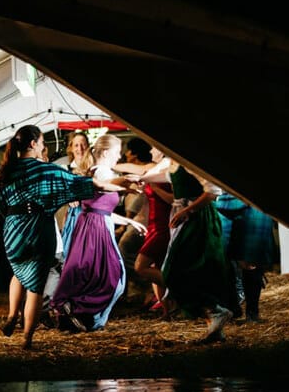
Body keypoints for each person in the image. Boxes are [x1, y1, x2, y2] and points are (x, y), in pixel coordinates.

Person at [0, 125, 137, 349]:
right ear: (33, 144)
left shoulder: (2, 173)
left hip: (12, 229)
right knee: (36, 286)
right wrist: (122, 185)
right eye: (41, 142)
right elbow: (87, 184)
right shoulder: (46, 171)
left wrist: (13, 218)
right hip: (40, 228)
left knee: (18, 273)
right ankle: (27, 339)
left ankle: (12, 316)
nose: (43, 147)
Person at [48, 134, 146, 332]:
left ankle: (81, 315)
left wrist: (128, 221)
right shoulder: (101, 171)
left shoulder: (103, 171)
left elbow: (102, 209)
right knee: (109, 276)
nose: (119, 156)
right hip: (95, 229)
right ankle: (80, 313)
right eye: (117, 152)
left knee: (100, 275)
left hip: (99, 224)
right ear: (107, 152)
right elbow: (106, 183)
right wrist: (126, 182)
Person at [135, 156, 238, 343]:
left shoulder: (190, 163)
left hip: (198, 219)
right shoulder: (175, 164)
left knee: (178, 271)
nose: (153, 149)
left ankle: (216, 311)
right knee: (187, 271)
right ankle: (214, 323)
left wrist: (187, 211)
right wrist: (140, 178)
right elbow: (162, 176)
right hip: (184, 218)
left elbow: (213, 192)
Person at [115, 146, 176, 318]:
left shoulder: (168, 165)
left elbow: (174, 199)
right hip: (153, 224)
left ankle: (180, 287)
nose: (150, 149)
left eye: (154, 146)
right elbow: (143, 174)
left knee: (140, 266)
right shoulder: (158, 166)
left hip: (163, 224)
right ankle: (167, 310)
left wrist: (153, 187)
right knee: (155, 266)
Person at [215, 192, 280, 323]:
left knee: (251, 260)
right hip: (222, 201)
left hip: (254, 202)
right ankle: (232, 308)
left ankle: (252, 314)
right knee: (220, 258)